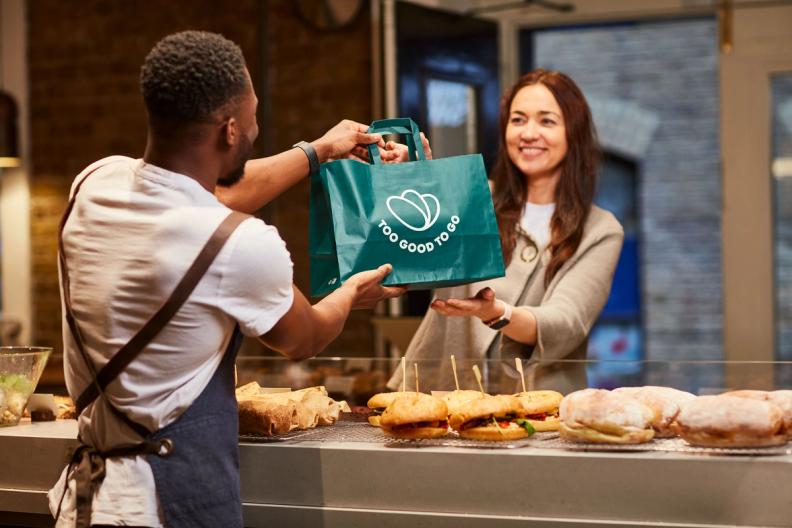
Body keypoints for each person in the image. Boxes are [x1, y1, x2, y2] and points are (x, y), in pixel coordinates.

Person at [48, 31, 405, 528]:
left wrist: (319, 151)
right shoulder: (241, 245)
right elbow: (305, 337)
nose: (258, 127)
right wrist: (350, 294)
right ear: (231, 130)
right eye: (254, 115)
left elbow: (210, 193)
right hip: (162, 508)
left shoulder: (94, 181)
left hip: (83, 504)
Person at [388, 69, 623, 395]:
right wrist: (411, 179)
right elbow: (414, 242)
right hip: (438, 399)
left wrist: (498, 313)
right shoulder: (472, 197)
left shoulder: (600, 230)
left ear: (574, 132)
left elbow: (567, 323)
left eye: (547, 121)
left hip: (538, 412)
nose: (529, 133)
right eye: (518, 120)